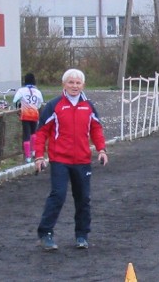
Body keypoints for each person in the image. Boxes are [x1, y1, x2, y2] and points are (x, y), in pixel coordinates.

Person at [33, 69, 108, 251]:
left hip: (82, 160)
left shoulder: (88, 106)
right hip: (60, 160)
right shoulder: (54, 105)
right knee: (58, 195)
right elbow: (42, 132)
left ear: (83, 85)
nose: (74, 86)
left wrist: (102, 150)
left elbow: (96, 129)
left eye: (78, 83)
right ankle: (46, 233)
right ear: (64, 84)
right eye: (71, 82)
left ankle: (82, 235)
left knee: (83, 198)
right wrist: (39, 156)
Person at [12, 73, 44, 163]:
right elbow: (40, 102)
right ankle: (33, 151)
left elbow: (15, 100)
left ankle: (28, 157)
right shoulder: (37, 91)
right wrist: (35, 107)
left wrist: (17, 108)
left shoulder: (21, 90)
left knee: (26, 135)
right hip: (34, 114)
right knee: (33, 133)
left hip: (25, 114)